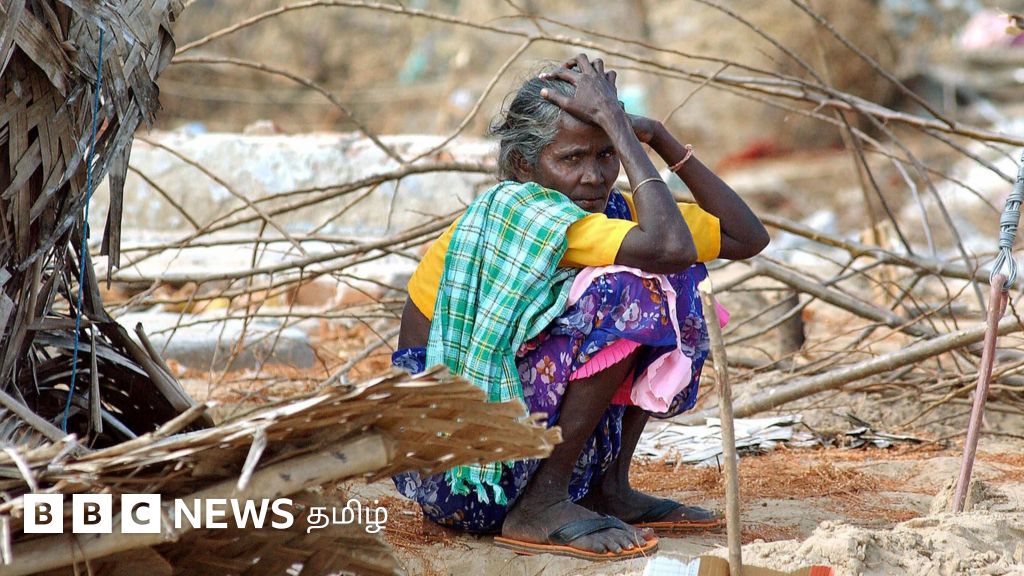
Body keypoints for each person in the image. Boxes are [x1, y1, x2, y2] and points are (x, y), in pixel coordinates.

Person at [391, 54, 769, 561]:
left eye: (606, 156)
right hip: (457, 467)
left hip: (509, 453)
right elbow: (666, 246)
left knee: (676, 279)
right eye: (571, 159)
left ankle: (606, 488)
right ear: (525, 165)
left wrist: (656, 136)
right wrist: (617, 126)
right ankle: (540, 506)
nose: (594, 177)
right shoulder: (523, 212)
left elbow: (747, 237)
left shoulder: (606, 213)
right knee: (631, 292)